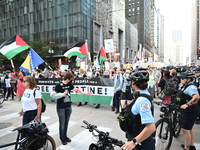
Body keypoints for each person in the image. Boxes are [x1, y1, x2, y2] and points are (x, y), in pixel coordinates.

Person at [50, 72, 92, 145]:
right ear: (67, 79)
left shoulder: (70, 84)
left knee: (66, 123)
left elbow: (77, 89)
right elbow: (54, 92)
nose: (72, 80)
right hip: (61, 107)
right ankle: (62, 138)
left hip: (68, 106)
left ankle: (65, 136)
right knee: (62, 123)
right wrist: (54, 93)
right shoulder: (59, 85)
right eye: (71, 79)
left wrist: (86, 93)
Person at [120, 68, 156, 150]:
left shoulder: (142, 101)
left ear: (133, 84)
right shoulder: (141, 95)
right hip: (139, 138)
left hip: (141, 143)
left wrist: (134, 142)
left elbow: (151, 127)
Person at [178, 72, 200, 150]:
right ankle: (191, 145)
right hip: (192, 110)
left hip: (190, 110)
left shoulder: (190, 87)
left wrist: (187, 104)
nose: (181, 79)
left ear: (188, 79)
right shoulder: (188, 85)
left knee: (185, 130)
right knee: (190, 128)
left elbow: (196, 97)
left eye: (183, 78)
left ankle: (186, 148)